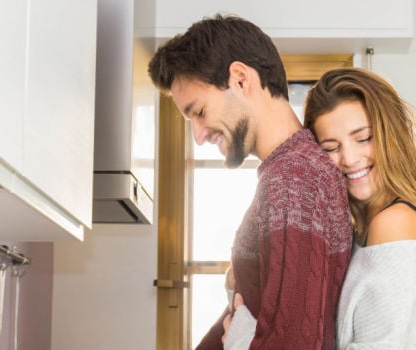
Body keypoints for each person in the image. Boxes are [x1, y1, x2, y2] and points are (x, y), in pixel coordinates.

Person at [148, 14, 353, 350]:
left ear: (241, 80)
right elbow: (249, 309)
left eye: (199, 112)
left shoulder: (294, 178)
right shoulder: (287, 172)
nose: (198, 137)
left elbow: (292, 342)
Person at [225, 68, 416, 349]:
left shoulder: (394, 224)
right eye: (330, 147)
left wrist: (241, 340)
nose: (349, 158)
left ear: (392, 136)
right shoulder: (364, 231)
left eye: (363, 138)